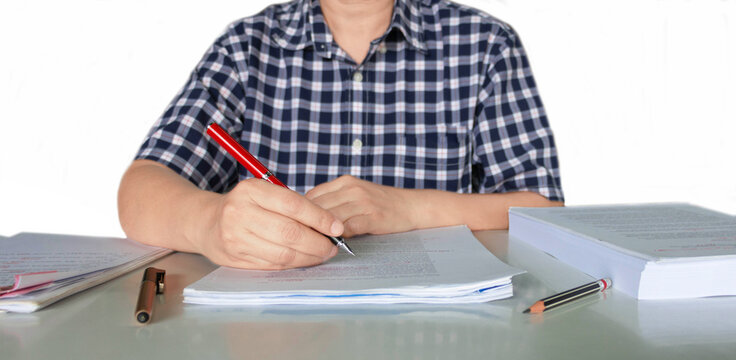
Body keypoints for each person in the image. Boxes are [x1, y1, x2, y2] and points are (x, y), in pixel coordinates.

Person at [117, 0, 564, 271]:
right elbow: (140, 191)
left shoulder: (485, 44)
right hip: (274, 330)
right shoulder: (245, 47)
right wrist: (211, 224)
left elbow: (543, 208)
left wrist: (409, 207)